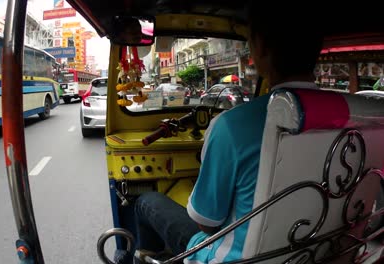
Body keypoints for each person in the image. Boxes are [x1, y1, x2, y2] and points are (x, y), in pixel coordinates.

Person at [133, 2, 324, 263]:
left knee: (147, 201)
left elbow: (206, 223)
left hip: (234, 257)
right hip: (325, 249)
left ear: (261, 47)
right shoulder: (355, 117)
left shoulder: (232, 125)